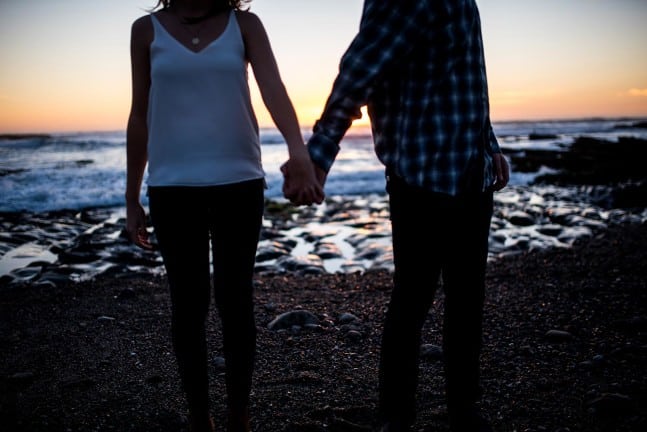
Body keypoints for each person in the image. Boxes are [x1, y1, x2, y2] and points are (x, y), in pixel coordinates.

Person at [282, 1, 510, 431]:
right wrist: (317, 156)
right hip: (421, 172)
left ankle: (462, 406)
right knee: (412, 300)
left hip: (471, 171)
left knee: (467, 298)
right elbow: (360, 70)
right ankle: (396, 414)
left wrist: (490, 143)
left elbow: (467, 75)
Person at [125, 0, 324, 430]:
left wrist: (298, 151)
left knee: (235, 301)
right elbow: (139, 115)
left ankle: (238, 416)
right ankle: (200, 418)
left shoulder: (245, 24)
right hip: (172, 187)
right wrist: (131, 197)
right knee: (188, 305)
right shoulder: (145, 30)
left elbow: (274, 89)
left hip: (239, 181)